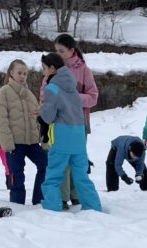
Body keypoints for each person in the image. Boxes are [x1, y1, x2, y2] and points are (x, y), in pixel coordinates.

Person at [37, 53, 102, 213]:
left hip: (61, 135)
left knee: (53, 175)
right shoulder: (72, 86)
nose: (43, 72)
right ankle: (93, 207)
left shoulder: (52, 88)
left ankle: (52, 208)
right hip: (78, 136)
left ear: (52, 68)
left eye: (44, 68)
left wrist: (41, 112)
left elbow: (48, 116)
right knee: (81, 176)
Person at [0, 59, 47, 207]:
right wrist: (7, 144)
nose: (23, 76)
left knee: (46, 164)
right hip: (14, 143)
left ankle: (39, 201)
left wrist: (42, 139)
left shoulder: (29, 94)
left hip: (32, 142)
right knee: (16, 175)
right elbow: (0, 120)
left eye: (25, 74)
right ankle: (17, 206)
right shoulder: (3, 92)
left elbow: (37, 119)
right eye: (19, 73)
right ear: (11, 73)